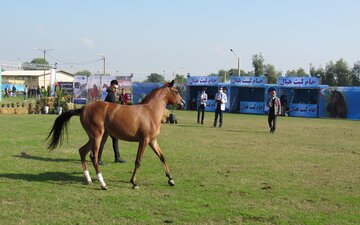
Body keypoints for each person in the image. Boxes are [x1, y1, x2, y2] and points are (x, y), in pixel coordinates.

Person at [92, 80, 126, 165]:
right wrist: (120, 104)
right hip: (107, 121)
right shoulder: (110, 95)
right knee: (103, 140)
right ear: (110, 86)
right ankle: (98, 158)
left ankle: (117, 157)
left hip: (108, 120)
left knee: (115, 139)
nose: (115, 89)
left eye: (116, 88)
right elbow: (114, 107)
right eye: (114, 87)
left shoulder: (107, 93)